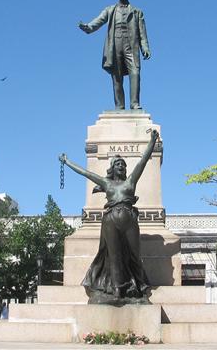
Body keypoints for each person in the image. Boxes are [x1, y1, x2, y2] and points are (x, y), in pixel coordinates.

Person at [59, 129, 159, 303]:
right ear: (112, 168)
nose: (121, 166)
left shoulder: (131, 181)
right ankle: (117, 289)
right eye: (118, 164)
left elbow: (143, 161)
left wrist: (152, 141)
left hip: (129, 219)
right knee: (114, 255)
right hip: (110, 220)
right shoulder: (106, 183)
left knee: (135, 253)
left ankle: (139, 285)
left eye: (123, 164)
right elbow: (86, 173)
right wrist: (67, 162)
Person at [78, 0, 151, 110]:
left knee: (135, 73)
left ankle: (134, 103)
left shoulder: (137, 12)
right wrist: (88, 27)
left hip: (131, 45)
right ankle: (119, 105)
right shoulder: (110, 10)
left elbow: (142, 32)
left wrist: (145, 47)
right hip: (115, 45)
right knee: (116, 76)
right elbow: (99, 21)